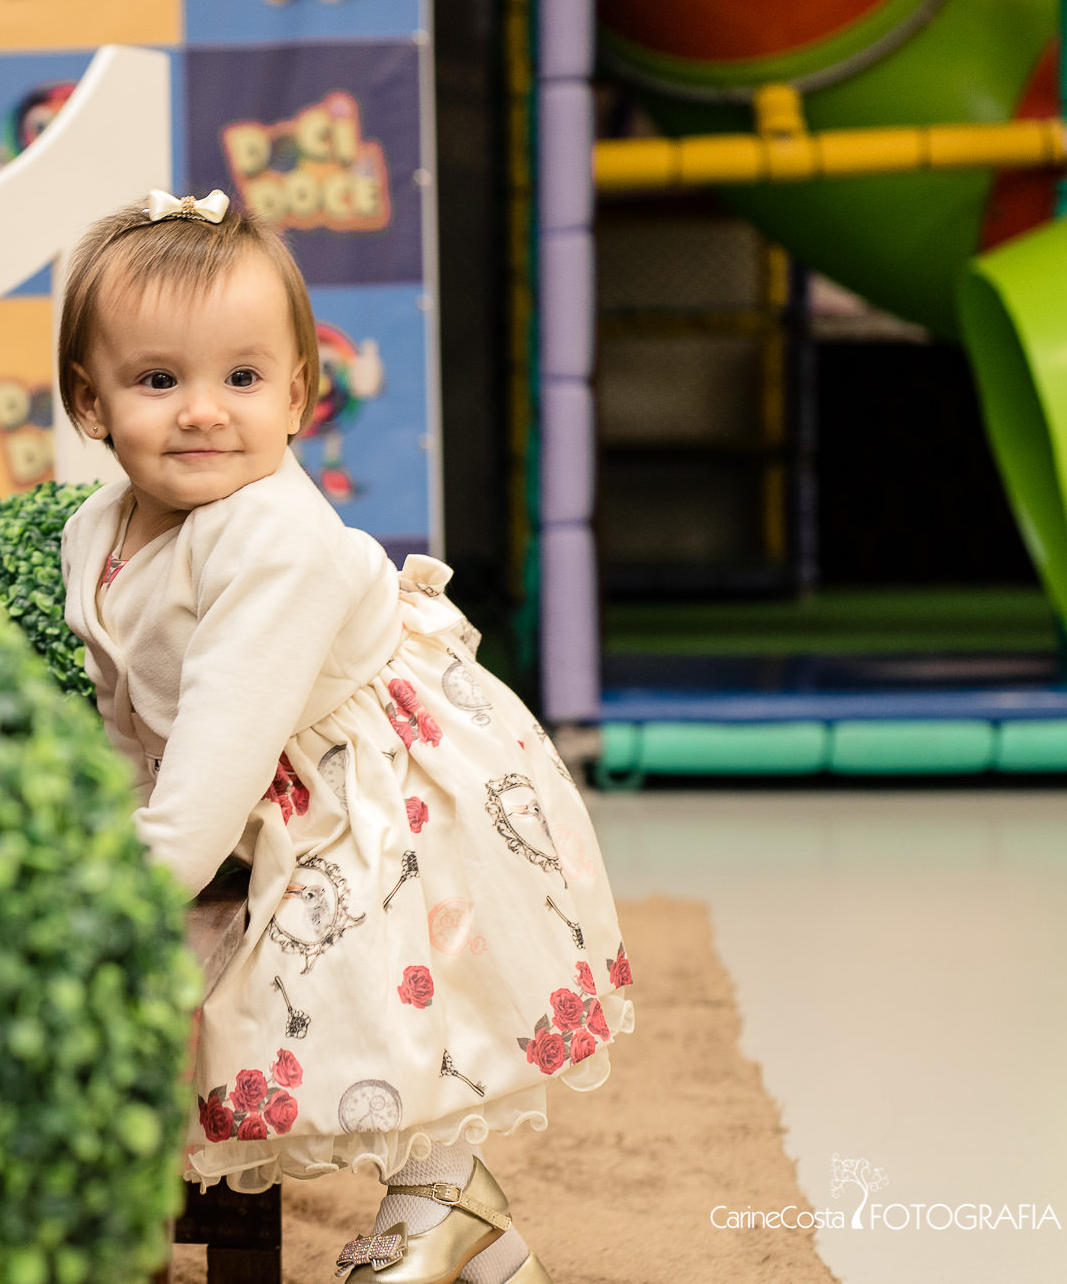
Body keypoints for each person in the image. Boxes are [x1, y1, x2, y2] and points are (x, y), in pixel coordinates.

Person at [57, 190, 635, 1284]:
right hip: (257, 762)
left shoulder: (273, 541)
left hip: (376, 780)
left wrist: (118, 888)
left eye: (241, 377)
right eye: (157, 380)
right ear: (91, 402)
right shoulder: (98, 528)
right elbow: (129, 711)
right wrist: (111, 824)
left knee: (367, 977)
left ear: (296, 394)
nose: (201, 412)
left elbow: (215, 764)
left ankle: (438, 1188)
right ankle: (475, 1229)